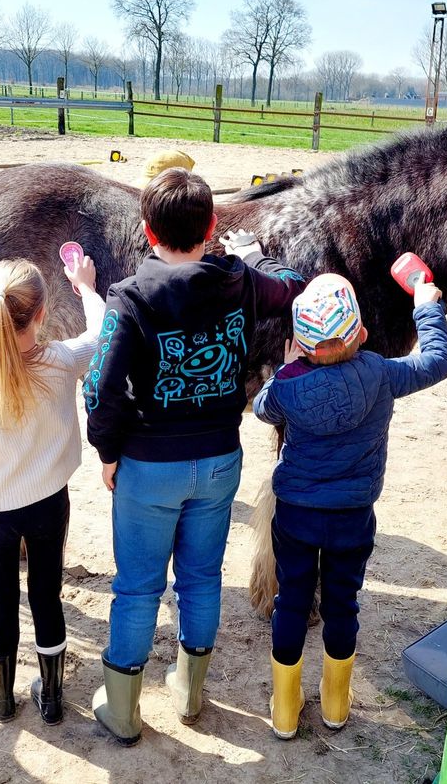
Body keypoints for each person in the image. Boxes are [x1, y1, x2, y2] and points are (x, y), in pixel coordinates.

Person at [84, 167, 306, 745]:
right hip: (218, 459)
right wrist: (252, 260)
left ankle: (124, 711)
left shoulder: (128, 299)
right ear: (212, 226)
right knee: (202, 579)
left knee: (137, 587)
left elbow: (99, 389)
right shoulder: (242, 282)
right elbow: (292, 283)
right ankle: (189, 690)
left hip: (148, 463)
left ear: (145, 229)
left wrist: (108, 451)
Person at [252, 272, 447, 738]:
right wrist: (425, 305)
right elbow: (438, 360)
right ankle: (336, 704)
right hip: (353, 517)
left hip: (297, 515)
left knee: (291, 602)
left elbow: (263, 408)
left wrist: (288, 368)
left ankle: (285, 709)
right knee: (343, 604)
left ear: (302, 348)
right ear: (361, 334)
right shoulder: (383, 374)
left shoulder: (287, 385)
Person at [0, 255, 104, 726]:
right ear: (43, 313)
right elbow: (100, 331)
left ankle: (1, 695)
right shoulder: (63, 360)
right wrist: (85, 287)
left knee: (0, 604)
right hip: (51, 502)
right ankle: (51, 698)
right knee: (47, 597)